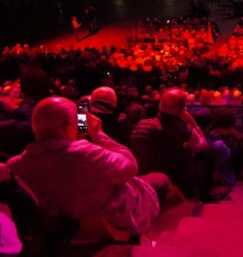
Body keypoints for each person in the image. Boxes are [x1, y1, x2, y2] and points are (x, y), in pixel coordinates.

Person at [8, 97, 169, 236]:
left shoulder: (14, 166)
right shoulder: (85, 154)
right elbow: (130, 168)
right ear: (69, 125)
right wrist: (98, 133)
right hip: (108, 225)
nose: (80, 124)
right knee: (160, 179)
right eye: (77, 122)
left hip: (64, 232)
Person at [130, 88, 218, 202]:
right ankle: (205, 195)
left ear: (160, 105)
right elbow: (204, 146)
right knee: (209, 153)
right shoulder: (186, 129)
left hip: (144, 174)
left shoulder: (142, 124)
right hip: (174, 178)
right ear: (182, 108)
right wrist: (191, 121)